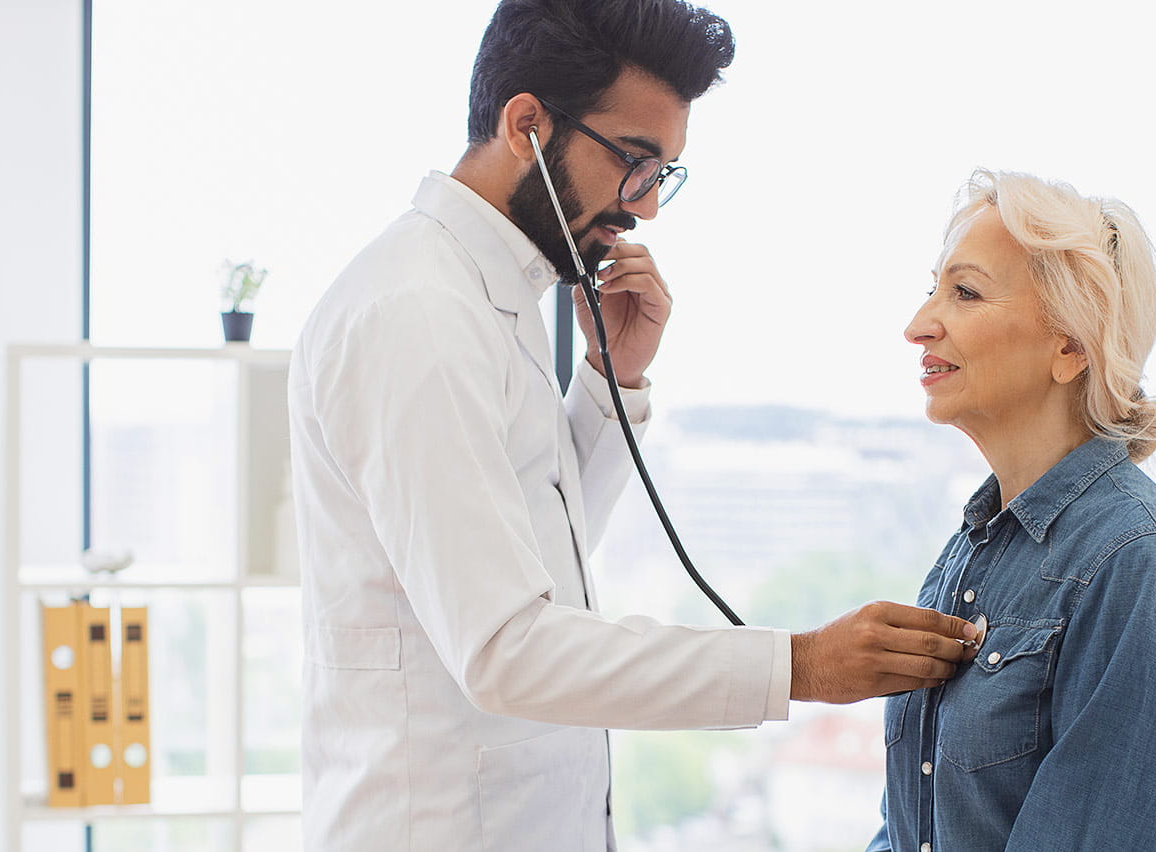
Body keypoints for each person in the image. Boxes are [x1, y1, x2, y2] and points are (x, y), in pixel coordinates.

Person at [288, 1, 976, 848]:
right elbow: (506, 647)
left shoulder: (484, 296)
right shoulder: (419, 312)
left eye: (662, 175)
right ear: (528, 125)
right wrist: (799, 666)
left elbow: (540, 548)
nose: (644, 209)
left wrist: (615, 381)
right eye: (635, 162)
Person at [869, 170, 1156, 852]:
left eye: (965, 292)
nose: (919, 325)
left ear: (1070, 346)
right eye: (933, 289)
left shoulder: (1142, 560)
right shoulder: (971, 553)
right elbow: (907, 827)